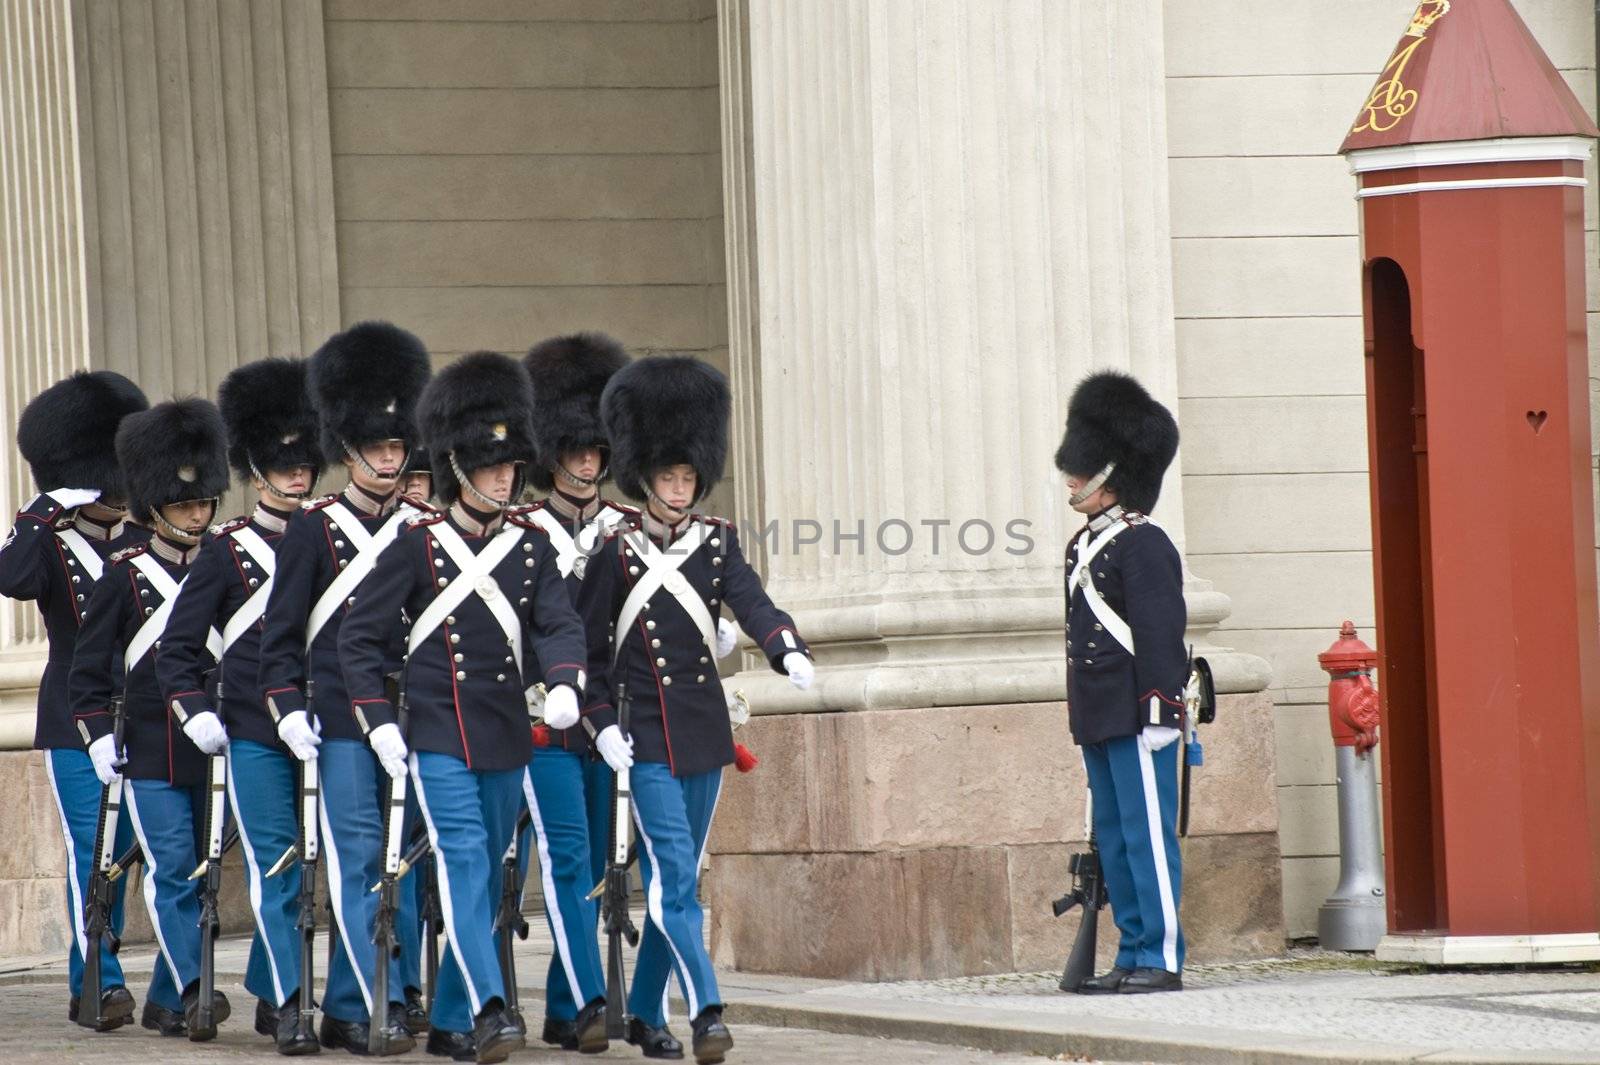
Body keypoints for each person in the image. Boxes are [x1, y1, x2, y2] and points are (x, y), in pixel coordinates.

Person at [339, 351, 588, 1063]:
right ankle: (488, 1007)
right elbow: (360, 638)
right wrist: (378, 721)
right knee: (463, 859)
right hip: (439, 731)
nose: (505, 476)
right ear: (459, 464)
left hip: (508, 730)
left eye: (511, 464)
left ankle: (450, 1018)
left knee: (483, 871)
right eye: (491, 464)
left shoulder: (532, 548)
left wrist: (566, 678)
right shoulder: (416, 547)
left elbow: (557, 623)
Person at [579, 355, 816, 1065]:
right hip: (645, 735)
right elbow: (588, 652)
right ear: (645, 476)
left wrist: (785, 647)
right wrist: (601, 722)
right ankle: (707, 1008)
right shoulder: (613, 553)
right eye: (669, 476)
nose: (680, 488)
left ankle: (646, 1011)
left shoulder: (715, 543)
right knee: (675, 876)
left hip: (704, 733)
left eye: (689, 477)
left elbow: (751, 600)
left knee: (673, 882)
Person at [257, 321, 432, 1054]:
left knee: (410, 864)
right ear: (350, 449)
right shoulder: (314, 530)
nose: (391, 458)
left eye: (398, 446)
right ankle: (362, 1002)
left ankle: (382, 992)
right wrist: (289, 710)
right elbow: (280, 638)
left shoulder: (427, 528)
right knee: (359, 857)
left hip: (418, 716)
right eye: (379, 446)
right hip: (340, 715)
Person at [157, 357, 323, 1053]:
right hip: (254, 728)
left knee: (330, 872)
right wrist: (196, 710)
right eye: (281, 465)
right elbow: (177, 648)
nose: (296, 474)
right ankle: (289, 1002)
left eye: (303, 463)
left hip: (328, 727)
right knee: (279, 865)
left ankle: (273, 978)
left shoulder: (333, 538)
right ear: (256, 471)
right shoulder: (226, 551)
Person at [69, 397, 234, 1037]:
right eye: (185, 503)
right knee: (172, 869)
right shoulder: (124, 576)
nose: (197, 512)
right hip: (150, 747)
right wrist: (97, 737)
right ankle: (196, 986)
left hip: (214, 744)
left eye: (203, 501)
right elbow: (87, 676)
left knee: (203, 872)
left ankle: (168, 998)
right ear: (155, 503)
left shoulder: (228, 566)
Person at [1, 371, 149, 1030]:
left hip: (144, 714)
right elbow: (12, 577)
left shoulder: (145, 540)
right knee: (94, 849)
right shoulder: (50, 542)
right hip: (72, 718)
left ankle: (132, 968)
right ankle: (100, 979)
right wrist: (46, 502)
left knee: (136, 852)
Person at [1054, 370, 1187, 994]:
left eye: (1082, 470)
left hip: (1140, 716)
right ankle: (1132, 949)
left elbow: (1160, 634)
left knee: (1147, 838)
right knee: (1115, 838)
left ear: (1114, 473)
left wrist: (1162, 711)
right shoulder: (1087, 544)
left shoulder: (1142, 543)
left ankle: (1160, 954)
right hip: (1101, 713)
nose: (1072, 480)